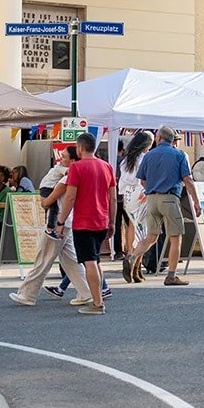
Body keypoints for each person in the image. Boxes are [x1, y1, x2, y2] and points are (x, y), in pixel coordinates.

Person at [10, 143, 92, 308]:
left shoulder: (65, 177)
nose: (61, 160)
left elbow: (49, 201)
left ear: (73, 161)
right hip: (67, 221)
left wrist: (45, 203)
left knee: (44, 259)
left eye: (65, 158)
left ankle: (28, 294)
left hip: (58, 222)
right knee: (71, 261)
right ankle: (86, 293)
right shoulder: (77, 174)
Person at [130, 126, 200, 287]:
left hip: (151, 199)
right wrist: (196, 201)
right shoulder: (179, 155)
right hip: (169, 198)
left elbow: (142, 180)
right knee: (175, 237)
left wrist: (152, 187)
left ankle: (132, 257)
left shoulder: (149, 155)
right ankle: (171, 275)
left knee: (151, 237)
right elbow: (187, 179)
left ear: (159, 138)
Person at [59, 131, 115, 315]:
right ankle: (98, 296)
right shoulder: (106, 166)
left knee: (89, 261)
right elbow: (112, 197)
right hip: (102, 219)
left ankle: (97, 303)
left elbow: (70, 196)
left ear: (80, 148)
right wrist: (112, 221)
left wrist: (60, 220)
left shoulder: (77, 168)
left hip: (84, 221)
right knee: (96, 260)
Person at [119, 130, 153, 282]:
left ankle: (131, 258)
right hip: (141, 195)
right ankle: (136, 265)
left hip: (127, 196)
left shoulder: (126, 160)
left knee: (131, 227)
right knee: (144, 232)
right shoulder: (145, 159)